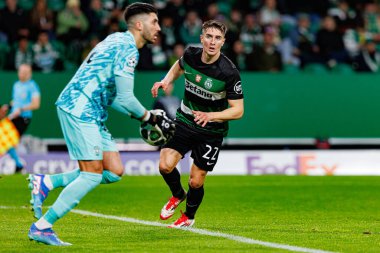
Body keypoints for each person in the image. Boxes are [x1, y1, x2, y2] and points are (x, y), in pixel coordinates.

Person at [27, 3, 174, 246]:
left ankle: (47, 182)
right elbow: (126, 98)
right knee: (92, 175)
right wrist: (150, 117)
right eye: (154, 22)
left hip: (91, 110)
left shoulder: (115, 40)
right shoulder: (128, 50)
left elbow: (114, 96)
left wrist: (140, 115)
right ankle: (43, 226)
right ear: (139, 25)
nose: (159, 27)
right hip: (80, 108)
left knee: (114, 171)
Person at [151, 20, 244, 228]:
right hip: (185, 120)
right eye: (209, 37)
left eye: (217, 38)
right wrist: (167, 81)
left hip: (211, 130)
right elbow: (179, 65)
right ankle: (177, 194)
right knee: (165, 166)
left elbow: (238, 110)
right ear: (201, 38)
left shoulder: (229, 72)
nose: (212, 42)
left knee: (196, 181)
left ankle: (188, 217)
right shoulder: (191, 54)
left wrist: (211, 116)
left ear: (223, 42)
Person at [6, 64, 41, 173]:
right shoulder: (16, 85)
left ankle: (18, 164)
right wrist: (8, 106)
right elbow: (15, 101)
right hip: (13, 117)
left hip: (23, 118)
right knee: (5, 140)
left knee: (7, 140)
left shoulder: (32, 86)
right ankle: (18, 165)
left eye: (25, 72)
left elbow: (36, 104)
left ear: (29, 73)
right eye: (21, 72)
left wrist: (21, 109)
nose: (22, 74)